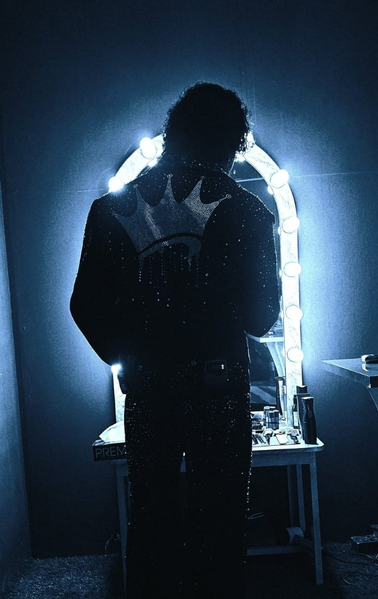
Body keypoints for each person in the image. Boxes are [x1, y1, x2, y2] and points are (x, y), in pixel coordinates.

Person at [70, 82, 279, 598]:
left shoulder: (109, 209)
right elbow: (262, 318)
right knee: (221, 522)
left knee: (152, 520)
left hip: (150, 388)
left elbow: (84, 306)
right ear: (232, 142)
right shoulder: (249, 210)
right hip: (218, 388)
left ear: (172, 133)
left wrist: (129, 360)